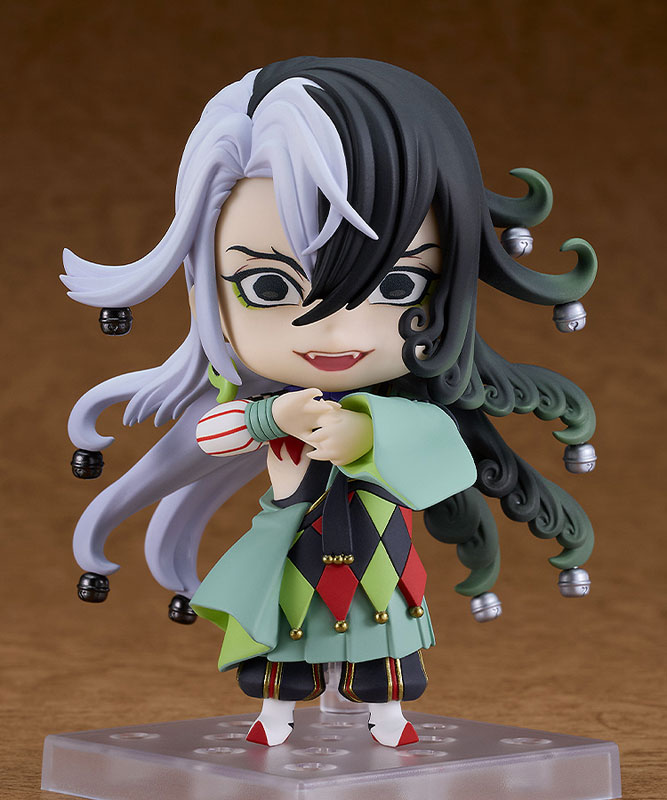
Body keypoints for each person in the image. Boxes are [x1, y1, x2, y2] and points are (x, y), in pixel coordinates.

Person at [63, 57, 597, 747]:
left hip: (382, 567)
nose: (339, 334)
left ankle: (387, 718)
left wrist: (367, 432)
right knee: (284, 645)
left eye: (399, 285)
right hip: (293, 557)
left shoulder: (410, 416)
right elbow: (217, 433)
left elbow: (447, 461)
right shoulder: (266, 401)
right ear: (203, 282)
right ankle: (275, 717)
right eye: (267, 287)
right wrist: (272, 416)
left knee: (383, 646)